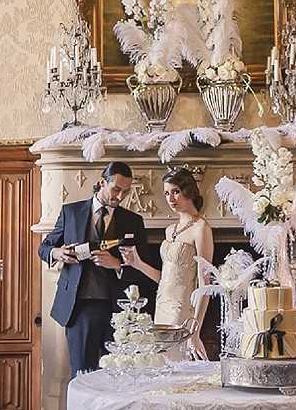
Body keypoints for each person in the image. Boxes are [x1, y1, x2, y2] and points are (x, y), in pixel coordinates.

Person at [38, 160, 148, 377]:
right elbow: (44, 247)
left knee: (118, 376)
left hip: (119, 309)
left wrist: (117, 265)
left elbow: (144, 268)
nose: (120, 197)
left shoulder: (134, 221)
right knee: (82, 374)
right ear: (101, 183)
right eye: (116, 189)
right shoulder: (71, 212)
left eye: (125, 192)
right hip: (80, 307)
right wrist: (57, 253)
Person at [120, 168, 213, 360]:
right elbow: (165, 278)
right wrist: (137, 263)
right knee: (161, 366)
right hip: (161, 306)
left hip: (182, 311)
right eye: (167, 193)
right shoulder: (169, 230)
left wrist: (194, 331)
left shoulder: (201, 228)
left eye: (176, 191)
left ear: (189, 191)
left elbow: (206, 285)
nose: (171, 198)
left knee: (177, 366)